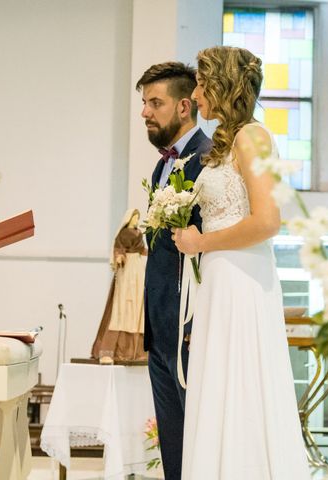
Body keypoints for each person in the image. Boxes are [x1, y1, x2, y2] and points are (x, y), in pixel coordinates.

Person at [173, 47, 311, 479]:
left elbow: (268, 220)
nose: (195, 94)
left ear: (222, 85)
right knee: (220, 386)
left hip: (241, 280)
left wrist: (201, 242)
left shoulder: (252, 137)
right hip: (220, 280)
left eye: (200, 83)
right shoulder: (228, 141)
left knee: (242, 386)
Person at [136, 61, 212, 480]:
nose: (145, 112)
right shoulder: (162, 166)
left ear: (184, 106)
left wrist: (191, 321)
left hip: (189, 322)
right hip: (161, 326)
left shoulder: (207, 161)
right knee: (173, 444)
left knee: (195, 437)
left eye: (154, 103)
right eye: (144, 103)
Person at [91, 208, 148, 363]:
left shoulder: (139, 234)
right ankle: (111, 350)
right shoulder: (123, 234)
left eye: (138, 218)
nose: (136, 220)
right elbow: (118, 248)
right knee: (122, 306)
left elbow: (142, 249)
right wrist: (119, 257)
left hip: (137, 268)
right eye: (134, 217)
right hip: (127, 268)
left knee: (137, 304)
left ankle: (137, 351)